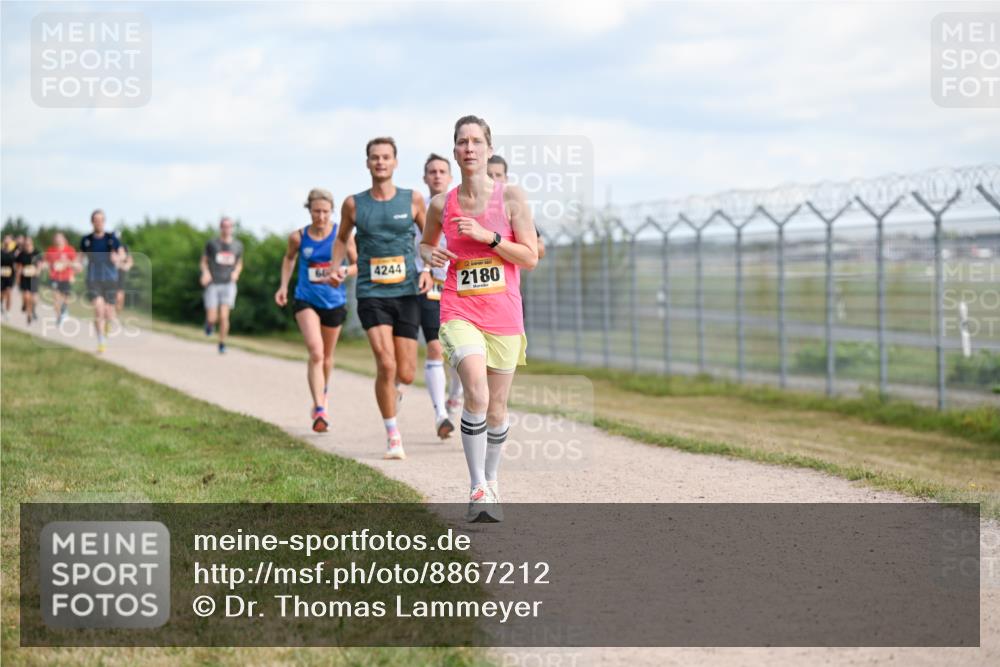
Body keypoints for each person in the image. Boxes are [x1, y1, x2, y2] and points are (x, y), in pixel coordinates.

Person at [421, 115, 538, 522]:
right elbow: (425, 244)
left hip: (503, 313)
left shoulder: (511, 198)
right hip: (459, 308)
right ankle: (476, 487)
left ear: (489, 149)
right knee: (476, 392)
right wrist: (429, 253)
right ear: (454, 151)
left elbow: (530, 257)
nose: (468, 148)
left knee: (497, 408)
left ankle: (491, 479)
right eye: (462, 142)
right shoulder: (442, 204)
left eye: (475, 141)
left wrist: (489, 237)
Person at [330, 136, 426, 460]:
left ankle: (393, 392)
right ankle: (393, 435)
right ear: (367, 163)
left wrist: (429, 269)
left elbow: (430, 237)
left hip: (407, 292)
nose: (380, 162)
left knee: (406, 372)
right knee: (386, 363)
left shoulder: (413, 199)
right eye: (375, 157)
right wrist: (336, 267)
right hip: (372, 292)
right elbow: (341, 239)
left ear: (395, 162)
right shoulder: (354, 204)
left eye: (386, 157)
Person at [275, 188, 357, 432]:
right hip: (306, 299)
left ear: (332, 212)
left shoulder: (342, 236)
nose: (320, 216)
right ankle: (320, 408)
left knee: (327, 357)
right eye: (316, 211)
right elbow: (289, 259)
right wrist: (283, 286)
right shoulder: (298, 237)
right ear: (309, 211)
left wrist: (343, 272)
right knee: (316, 352)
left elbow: (357, 264)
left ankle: (323, 392)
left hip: (334, 301)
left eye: (325, 212)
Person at [417, 153, 458, 439]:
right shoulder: (417, 208)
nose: (437, 176)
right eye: (432, 172)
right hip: (429, 286)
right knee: (435, 348)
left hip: (459, 287)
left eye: (442, 171)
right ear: (425, 177)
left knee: (460, 352)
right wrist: (424, 269)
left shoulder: (461, 205)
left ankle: (454, 396)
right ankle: (441, 415)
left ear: (450, 177)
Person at [79, 209, 122, 353]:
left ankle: (107, 326)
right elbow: (80, 258)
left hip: (110, 278)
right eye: (96, 220)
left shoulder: (111, 238)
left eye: (101, 220)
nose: (99, 222)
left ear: (104, 221)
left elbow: (122, 254)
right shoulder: (86, 240)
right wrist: (77, 266)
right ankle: (101, 340)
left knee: (108, 312)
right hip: (93, 278)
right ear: (92, 222)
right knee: (98, 309)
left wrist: (117, 258)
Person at [487, 155, 546, 260]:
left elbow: (540, 250)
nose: (494, 179)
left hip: (508, 268)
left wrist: (509, 244)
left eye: (498, 175)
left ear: (506, 179)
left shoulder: (515, 208)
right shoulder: (468, 207)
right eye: (489, 175)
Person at [200, 217, 244, 354]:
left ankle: (222, 343)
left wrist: (236, 272)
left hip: (229, 284)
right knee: (212, 317)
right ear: (220, 227)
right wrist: (205, 273)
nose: (227, 229)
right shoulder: (212, 244)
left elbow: (239, 263)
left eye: (229, 226)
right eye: (224, 226)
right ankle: (209, 324)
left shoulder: (238, 245)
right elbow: (203, 261)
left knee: (225, 317)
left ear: (232, 228)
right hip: (213, 283)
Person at [45, 233, 78, 325]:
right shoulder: (50, 250)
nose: (58, 240)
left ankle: (64, 310)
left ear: (64, 239)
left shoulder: (70, 250)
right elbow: (47, 262)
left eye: (60, 238)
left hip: (66, 277)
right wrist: (48, 268)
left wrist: (71, 271)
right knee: (56, 298)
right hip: (54, 277)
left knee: (65, 299)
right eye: (56, 238)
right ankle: (59, 317)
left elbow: (75, 264)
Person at [15, 237, 42, 324]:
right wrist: (18, 277)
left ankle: (32, 309)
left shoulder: (36, 253)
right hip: (25, 278)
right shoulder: (21, 254)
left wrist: (38, 271)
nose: (27, 246)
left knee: (34, 299)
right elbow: (18, 267)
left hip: (33, 279)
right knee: (26, 296)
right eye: (25, 244)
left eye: (28, 244)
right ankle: (29, 315)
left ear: (31, 243)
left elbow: (40, 265)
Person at [115, 241, 134, 314]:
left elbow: (128, 265)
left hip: (121, 277)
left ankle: (116, 312)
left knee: (119, 298)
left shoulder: (126, 253)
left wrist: (122, 264)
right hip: (110, 278)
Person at [1, 235, 16, 320]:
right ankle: (1, 303)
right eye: (5, 239)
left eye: (8, 239)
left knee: (9, 293)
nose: (7, 241)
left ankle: (8, 311)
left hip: (10, 276)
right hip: (1, 276)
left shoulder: (14, 253)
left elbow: (17, 264)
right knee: (1, 295)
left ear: (11, 241)